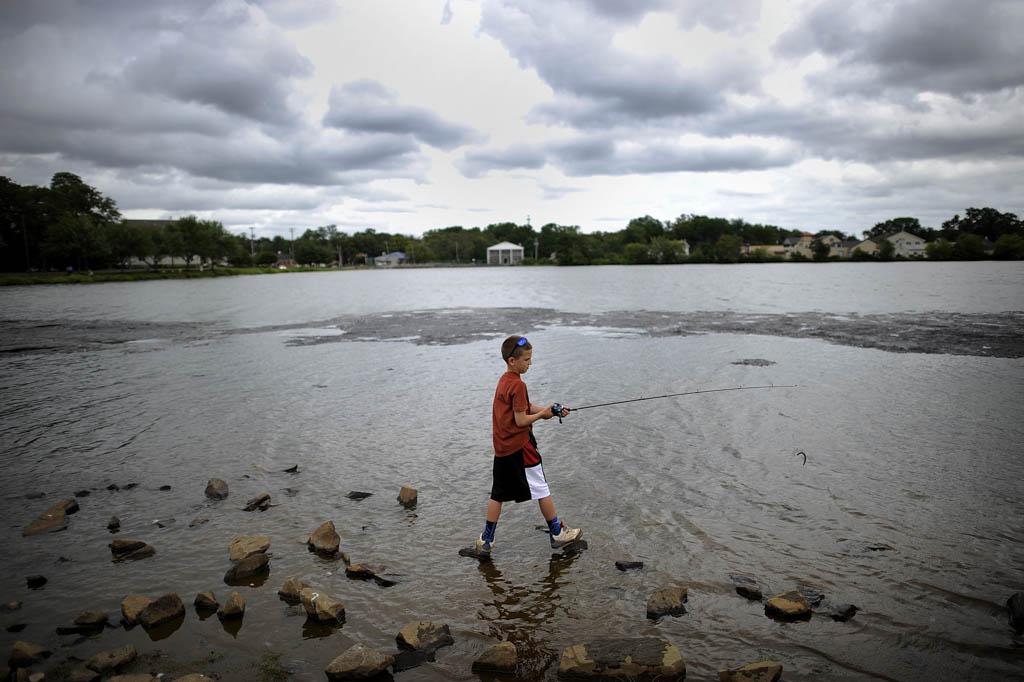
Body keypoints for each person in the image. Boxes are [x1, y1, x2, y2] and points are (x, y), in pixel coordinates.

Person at [476, 334, 583, 556]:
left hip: (502, 448)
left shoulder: (505, 381)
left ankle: (486, 540)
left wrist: (548, 408)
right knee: (542, 488)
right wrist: (543, 414)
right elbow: (520, 420)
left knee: (497, 494)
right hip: (521, 447)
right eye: (526, 359)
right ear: (512, 361)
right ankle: (557, 533)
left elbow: (524, 407)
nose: (530, 363)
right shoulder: (518, 385)